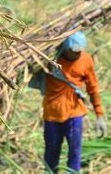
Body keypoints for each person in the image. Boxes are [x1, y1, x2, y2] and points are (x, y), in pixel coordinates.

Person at [42, 31, 106, 173]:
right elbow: (31, 67)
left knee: (75, 152)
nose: (75, 55)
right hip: (52, 114)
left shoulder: (86, 60)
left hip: (74, 114)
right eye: (72, 52)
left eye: (79, 52)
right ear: (65, 47)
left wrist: (99, 115)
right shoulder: (50, 58)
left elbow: (93, 88)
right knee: (51, 153)